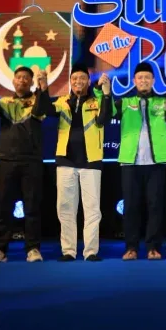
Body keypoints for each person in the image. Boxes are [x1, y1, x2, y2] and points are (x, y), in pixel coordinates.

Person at [33, 62, 109, 262]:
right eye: (74, 78)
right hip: (66, 160)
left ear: (88, 80)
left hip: (91, 160)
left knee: (92, 209)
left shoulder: (97, 100)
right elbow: (43, 110)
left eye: (82, 78)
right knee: (65, 208)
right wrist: (43, 87)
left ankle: (91, 251)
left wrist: (107, 93)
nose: (78, 81)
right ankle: (69, 250)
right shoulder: (63, 101)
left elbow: (104, 119)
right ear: (70, 81)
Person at [104, 62, 166, 260]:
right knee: (131, 207)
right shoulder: (125, 102)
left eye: (147, 78)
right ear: (134, 81)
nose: (143, 80)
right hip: (130, 163)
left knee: (155, 206)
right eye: (140, 77)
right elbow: (107, 116)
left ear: (153, 80)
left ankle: (153, 247)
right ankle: (131, 248)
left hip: (156, 163)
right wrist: (106, 94)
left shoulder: (162, 102)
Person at [0, 66, 45, 263]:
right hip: (7, 160)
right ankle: (0, 249)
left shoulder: (38, 100)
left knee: (32, 207)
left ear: (31, 82)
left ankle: (33, 249)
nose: (22, 80)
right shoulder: (4, 102)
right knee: (3, 206)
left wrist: (43, 86)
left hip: (31, 160)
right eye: (19, 77)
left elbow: (42, 111)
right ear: (13, 81)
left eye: (26, 78)